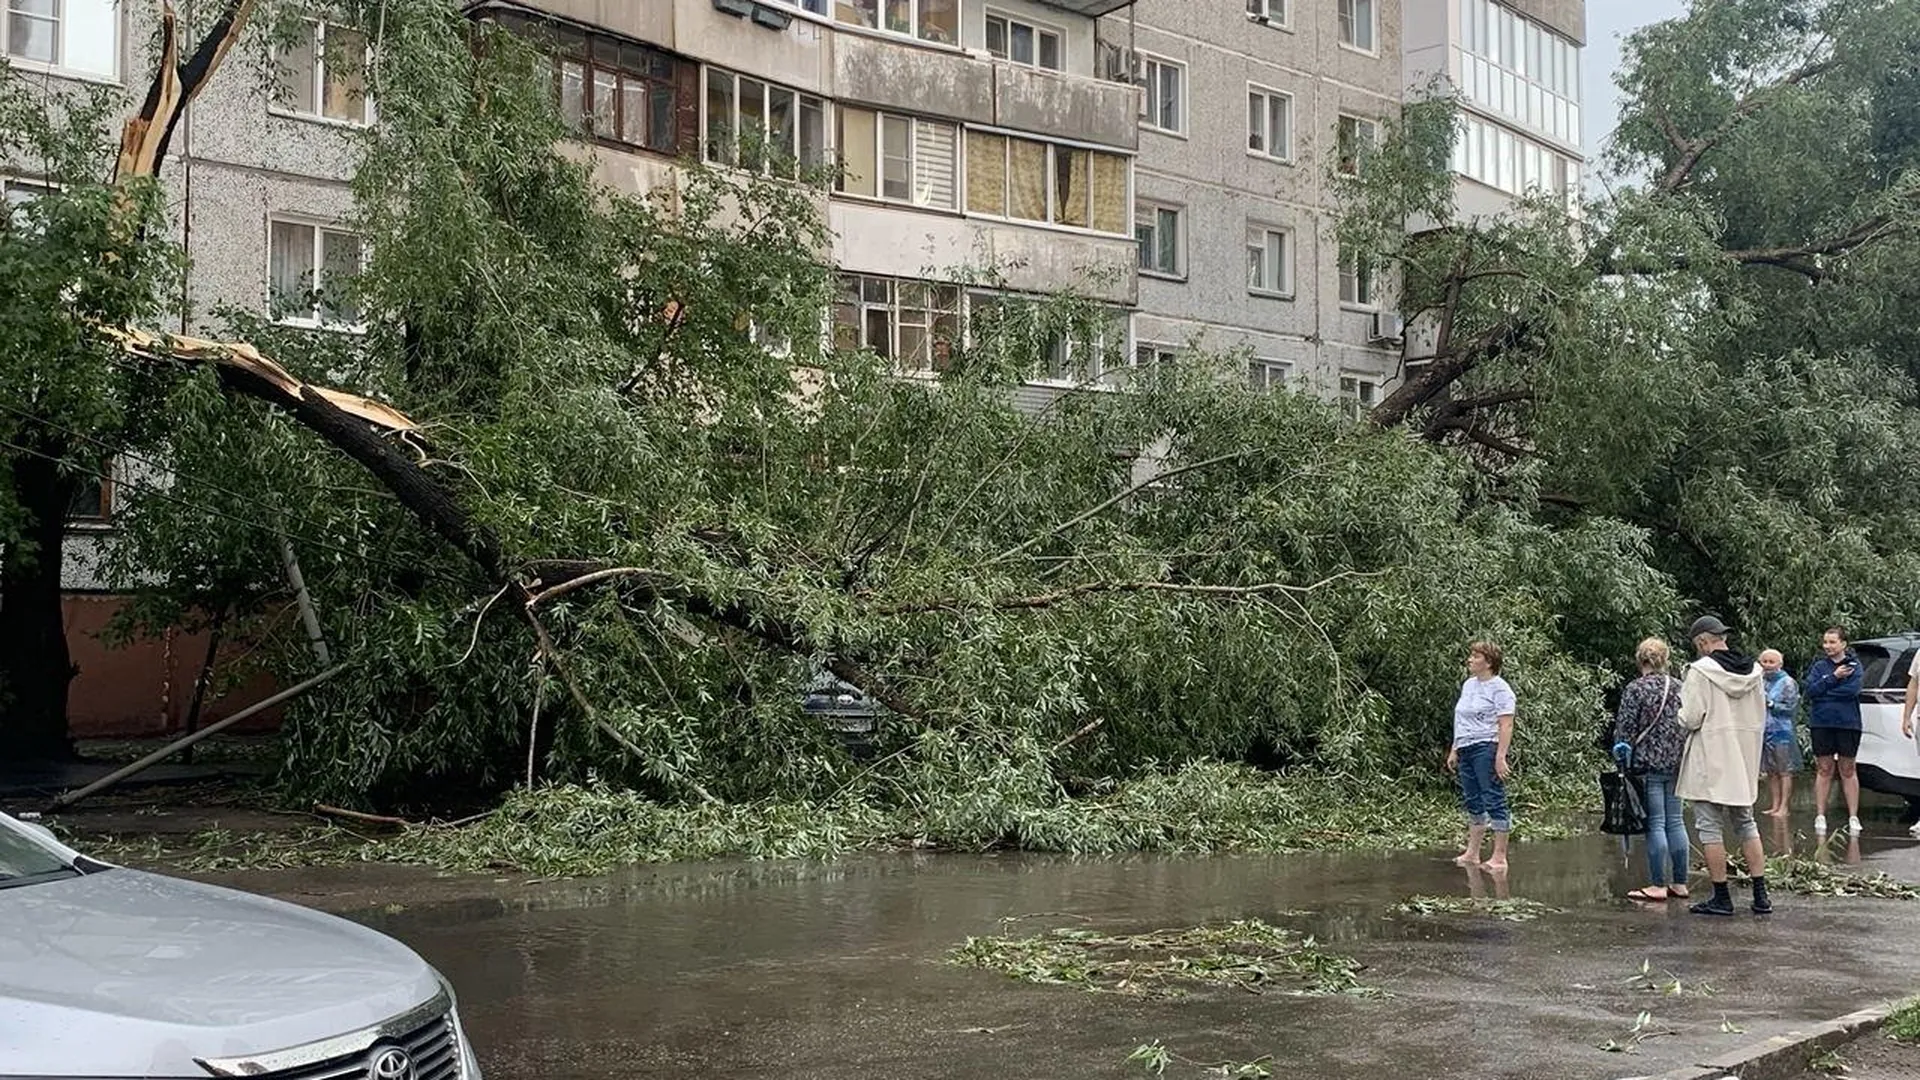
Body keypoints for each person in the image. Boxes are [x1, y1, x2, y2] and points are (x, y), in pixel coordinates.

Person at [1675, 615, 1774, 916]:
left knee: (1709, 828)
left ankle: (1721, 896)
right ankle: (1761, 895)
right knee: (1746, 823)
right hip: (1742, 759)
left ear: (1703, 641)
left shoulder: (1700, 672)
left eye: (1698, 645)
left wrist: (1679, 717)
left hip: (1710, 756)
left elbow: (1691, 717)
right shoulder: (1755, 672)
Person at [1611, 637, 1689, 901]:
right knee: (1676, 821)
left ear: (1640, 659)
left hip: (1646, 764)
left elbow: (1625, 730)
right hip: (1677, 763)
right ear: (1665, 659)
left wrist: (1621, 759)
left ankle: (1657, 884)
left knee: (1655, 824)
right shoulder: (1679, 686)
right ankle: (1680, 883)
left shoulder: (1635, 689)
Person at [1445, 641, 1516, 872]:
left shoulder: (1500, 688)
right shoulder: (1468, 685)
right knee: (1472, 799)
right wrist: (1455, 748)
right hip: (1466, 745)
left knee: (1493, 797)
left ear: (1489, 662)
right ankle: (1472, 853)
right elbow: (1460, 719)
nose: (1470, 660)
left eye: (1475, 656)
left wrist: (1500, 756)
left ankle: (1499, 857)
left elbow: (1505, 724)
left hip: (1486, 746)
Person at [1804, 627, 1864, 834]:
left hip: (1848, 723)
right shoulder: (1819, 666)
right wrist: (1833, 677)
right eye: (1825, 642)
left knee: (1848, 768)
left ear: (1843, 644)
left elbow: (1852, 691)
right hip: (1821, 722)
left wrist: (1825, 689)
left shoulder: (1853, 666)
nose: (1828, 646)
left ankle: (1853, 816)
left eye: (1832, 642)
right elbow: (1811, 691)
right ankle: (1820, 814)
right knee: (1824, 768)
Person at [1758, 649, 1802, 817]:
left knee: (1784, 769)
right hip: (1765, 730)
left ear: (1780, 664)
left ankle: (1784, 807)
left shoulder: (1787, 682)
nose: (1768, 665)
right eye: (1765, 661)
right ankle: (1774, 804)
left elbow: (1791, 708)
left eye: (1771, 662)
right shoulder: (1760, 681)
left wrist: (1771, 704)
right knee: (1770, 771)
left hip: (1781, 731)